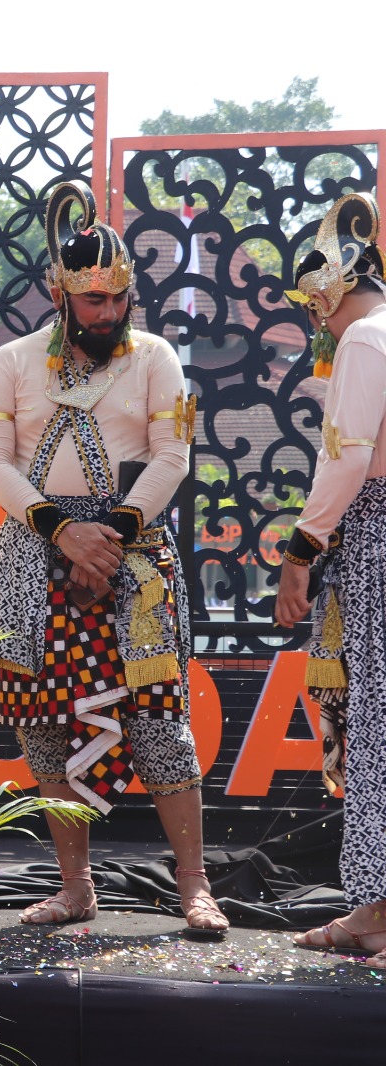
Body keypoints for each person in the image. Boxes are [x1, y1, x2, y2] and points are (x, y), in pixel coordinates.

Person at [0, 180, 227, 933]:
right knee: (42, 721)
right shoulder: (12, 362)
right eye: (93, 301)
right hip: (34, 549)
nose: (108, 314)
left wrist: (105, 536)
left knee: (157, 718)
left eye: (118, 299)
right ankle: (75, 885)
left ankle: (194, 885)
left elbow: (173, 457)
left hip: (133, 553)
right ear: (61, 293)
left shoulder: (156, 358)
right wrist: (62, 531)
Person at [273, 193, 386, 965]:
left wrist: (301, 548)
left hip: (378, 534)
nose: (317, 322)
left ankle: (376, 913)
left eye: (315, 305)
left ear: (332, 290)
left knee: (379, 727)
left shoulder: (365, 341)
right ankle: (373, 913)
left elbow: (346, 455)